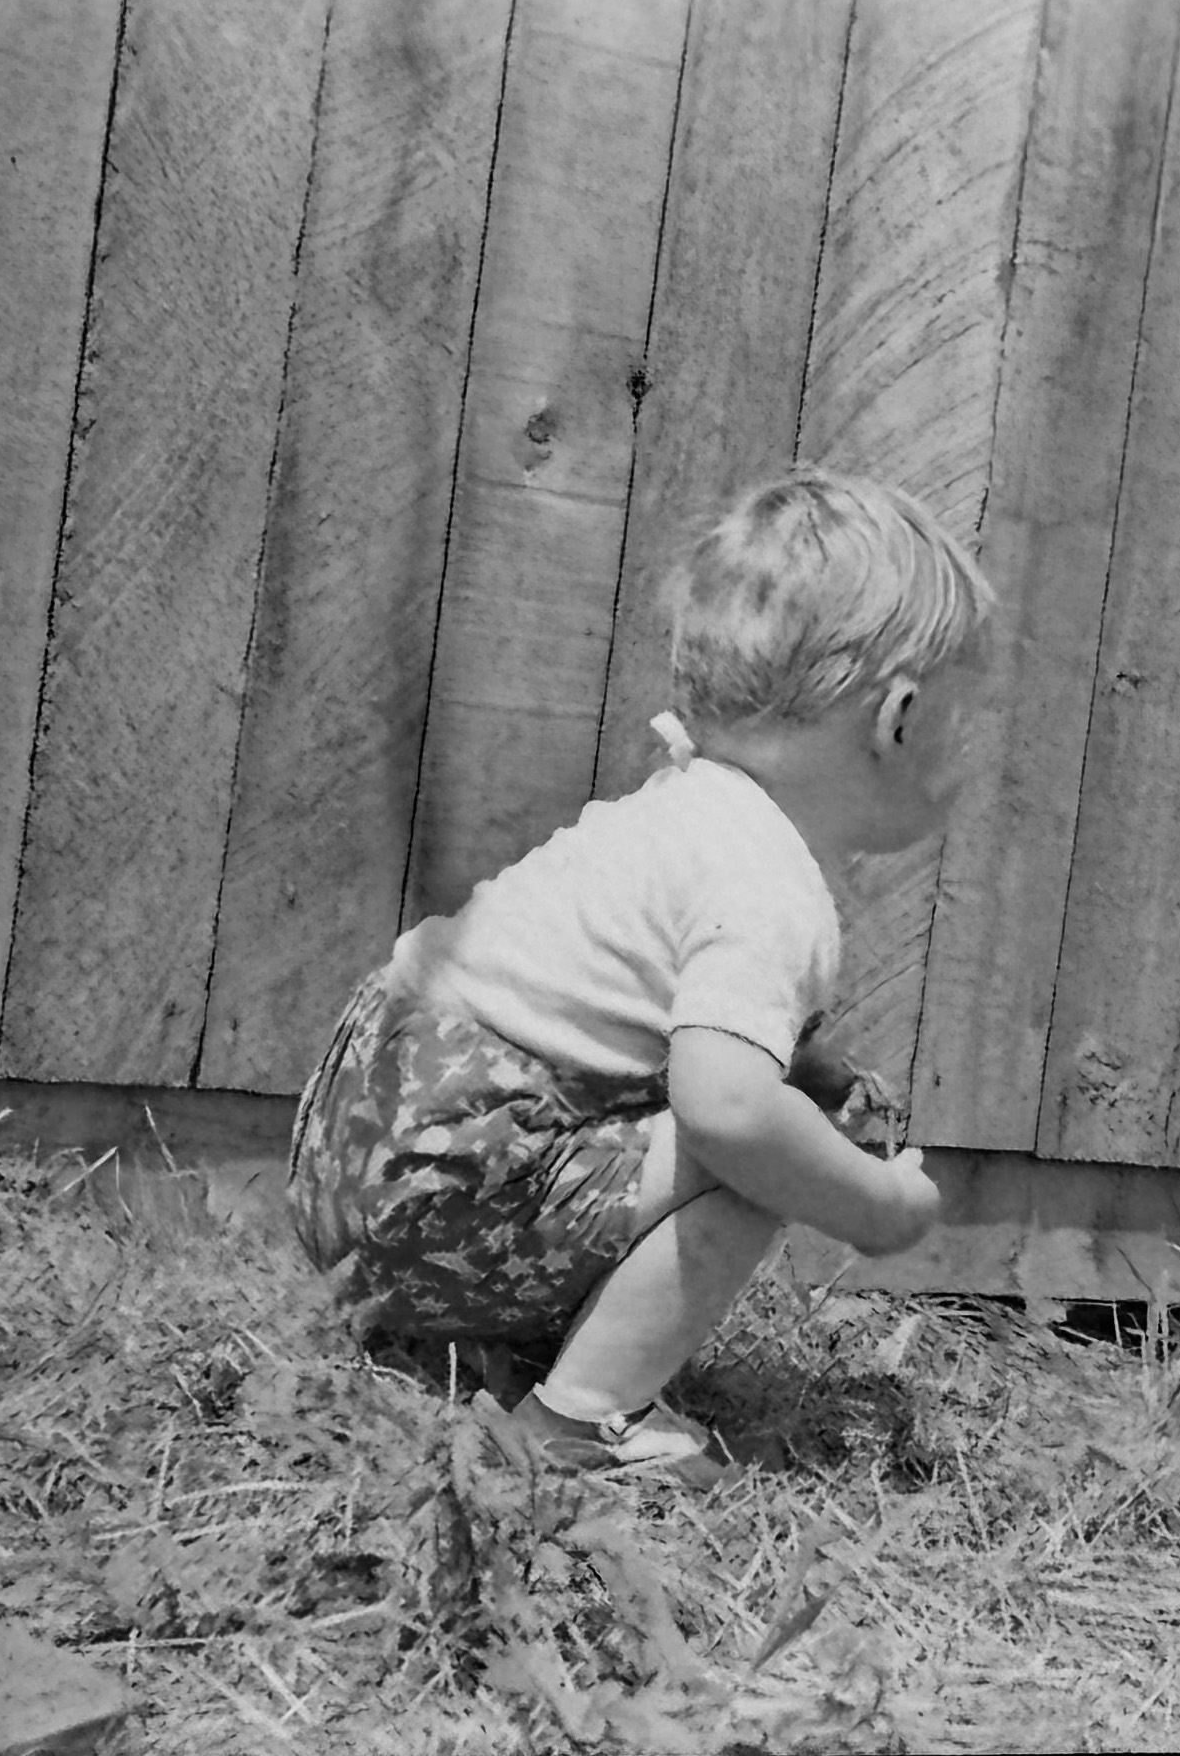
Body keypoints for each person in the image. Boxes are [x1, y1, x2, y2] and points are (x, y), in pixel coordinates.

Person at [285, 469, 988, 1479]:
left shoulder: (685, 806)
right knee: (786, 1143)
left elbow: (630, 1032)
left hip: (354, 1150)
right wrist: (877, 1207)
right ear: (901, 720)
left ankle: (521, 1329)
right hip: (440, 1190)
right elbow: (729, 1113)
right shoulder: (767, 885)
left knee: (772, 1107)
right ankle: (581, 1417)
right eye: (966, 719)